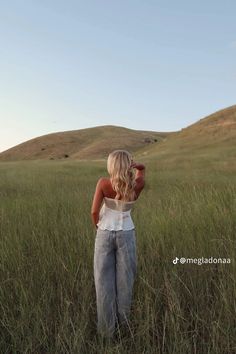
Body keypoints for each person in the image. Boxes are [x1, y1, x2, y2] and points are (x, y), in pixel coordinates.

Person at [91, 149, 145, 339]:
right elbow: (142, 171)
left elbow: (93, 212)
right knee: (126, 282)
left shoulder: (103, 183)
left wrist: (99, 227)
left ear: (111, 165)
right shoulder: (137, 184)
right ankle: (125, 328)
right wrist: (139, 167)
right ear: (128, 165)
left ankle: (106, 333)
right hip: (127, 233)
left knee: (103, 282)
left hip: (105, 233)